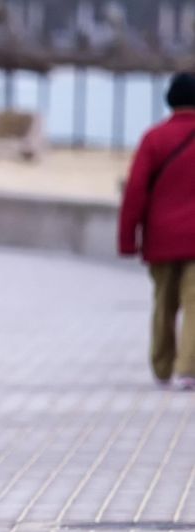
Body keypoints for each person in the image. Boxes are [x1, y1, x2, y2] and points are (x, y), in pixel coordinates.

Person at [119, 72, 195, 391]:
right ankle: (188, 368)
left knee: (164, 302)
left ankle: (162, 365)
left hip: (161, 238)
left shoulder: (154, 138)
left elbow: (135, 191)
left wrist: (127, 240)